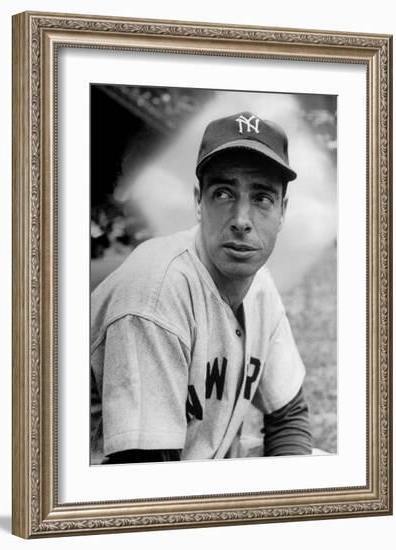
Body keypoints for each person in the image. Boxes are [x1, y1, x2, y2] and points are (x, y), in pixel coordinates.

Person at [90, 110, 312, 464]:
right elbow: (143, 475)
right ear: (198, 201)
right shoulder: (155, 295)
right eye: (224, 193)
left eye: (262, 198)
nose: (241, 220)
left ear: (282, 211)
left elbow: (288, 416)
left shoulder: (259, 286)